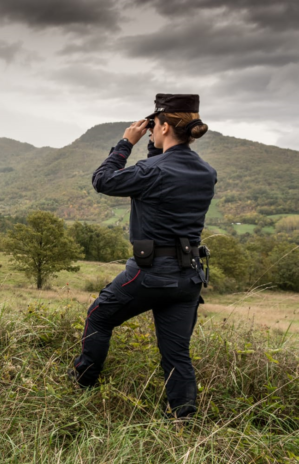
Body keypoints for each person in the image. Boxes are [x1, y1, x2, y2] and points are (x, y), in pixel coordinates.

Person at [72, 94, 217, 418]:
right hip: (189, 275)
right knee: (176, 352)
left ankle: (82, 382)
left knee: (99, 317)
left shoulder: (152, 171)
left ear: (163, 126)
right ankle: (183, 417)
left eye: (156, 127)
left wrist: (126, 142)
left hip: (150, 273)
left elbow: (102, 180)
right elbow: (164, 168)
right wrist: (155, 145)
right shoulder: (207, 172)